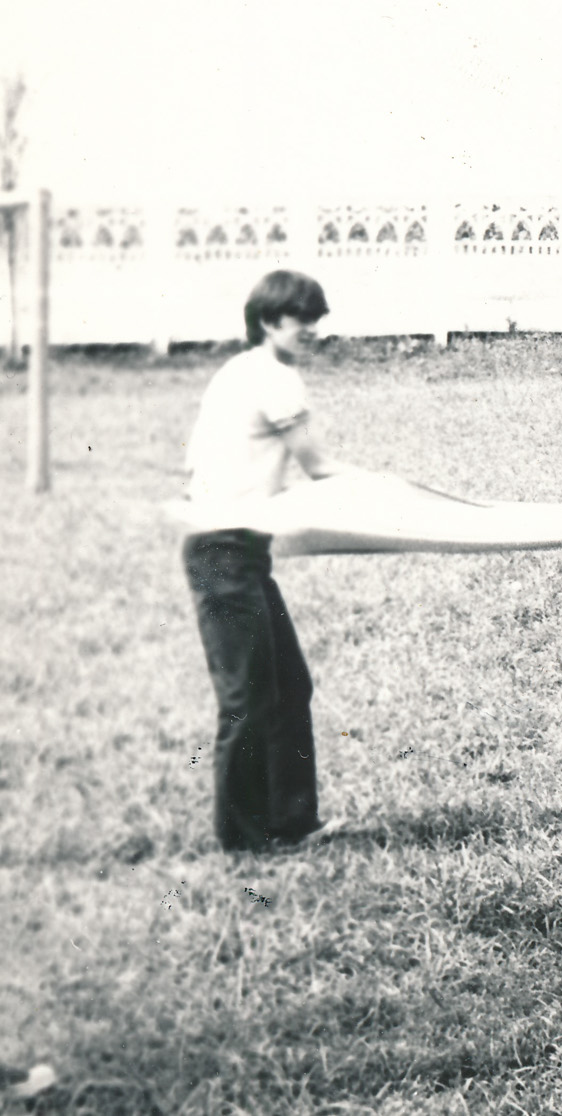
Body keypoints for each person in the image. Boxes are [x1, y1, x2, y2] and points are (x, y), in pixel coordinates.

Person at [180, 270, 351, 853]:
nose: (313, 330)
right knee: (247, 700)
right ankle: (245, 841)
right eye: (303, 319)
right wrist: (388, 487)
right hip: (224, 549)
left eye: (316, 319)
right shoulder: (277, 378)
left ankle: (291, 822)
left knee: (288, 686)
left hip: (233, 548)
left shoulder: (236, 371)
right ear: (270, 320)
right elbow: (319, 467)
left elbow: (201, 463)